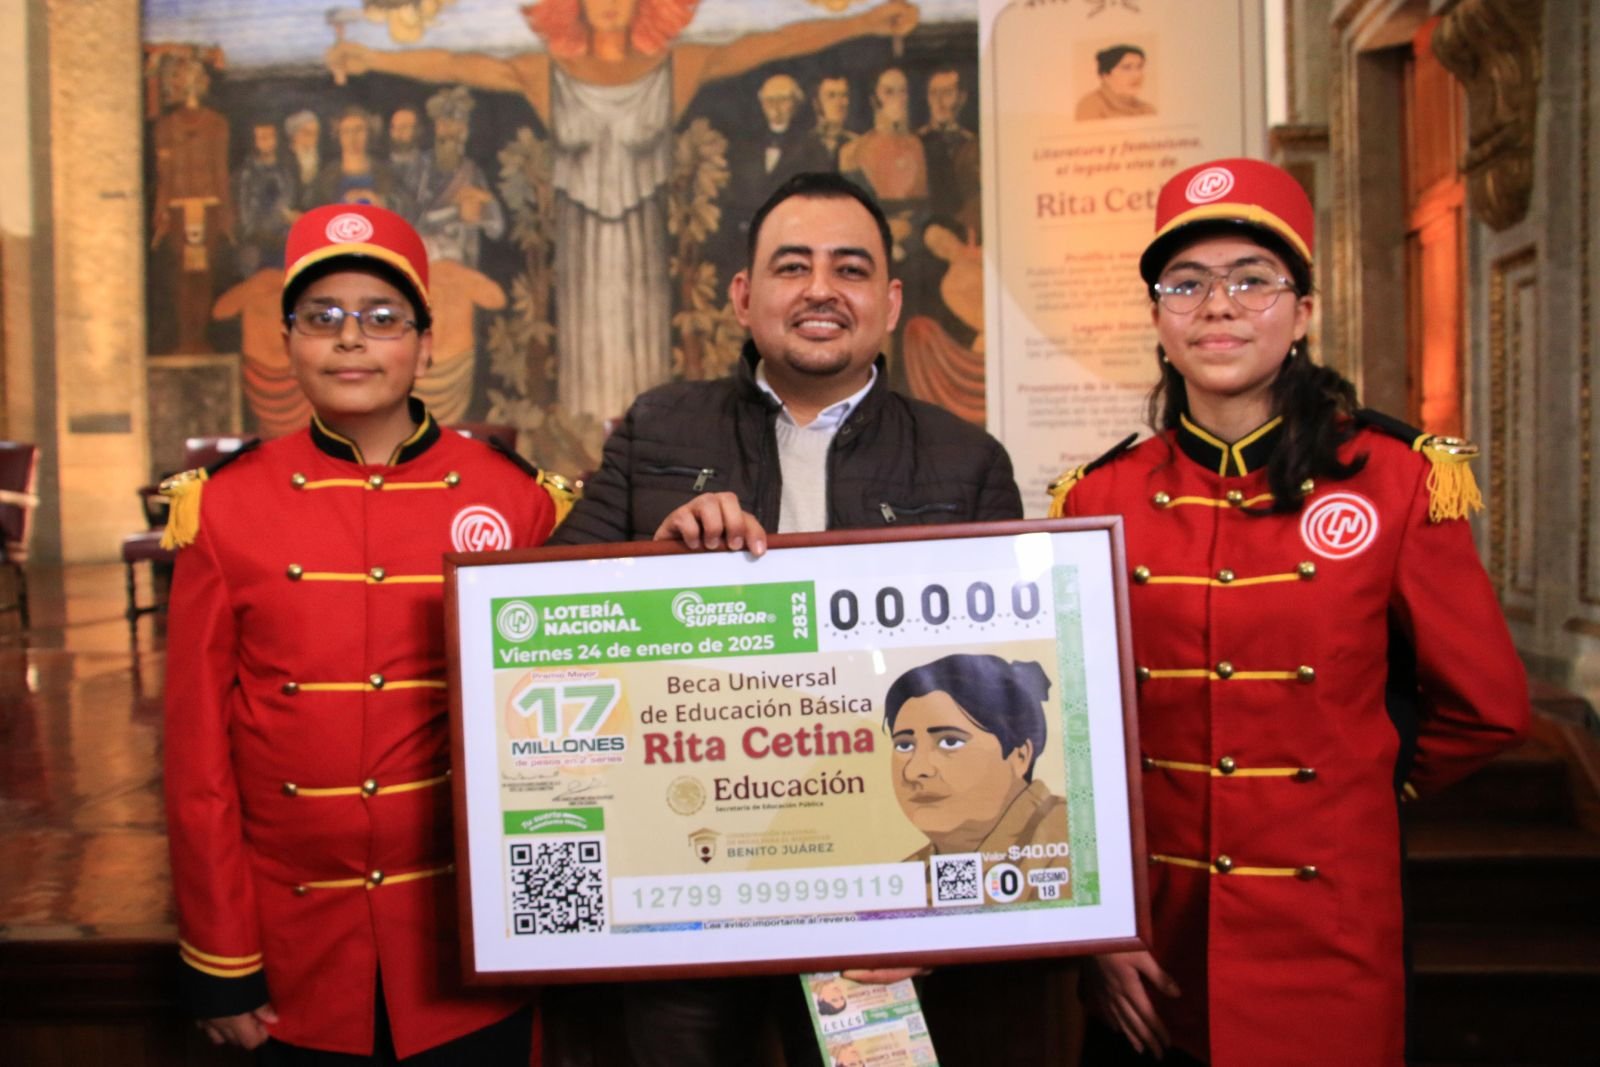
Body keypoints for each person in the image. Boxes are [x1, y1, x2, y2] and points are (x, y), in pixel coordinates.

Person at [1052, 157, 1530, 1065]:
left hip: (1329, 937)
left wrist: (1359, 787)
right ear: (1157, 317)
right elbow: (1075, 739)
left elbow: (1490, 707)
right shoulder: (1097, 498)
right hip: (1154, 947)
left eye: (1252, 280)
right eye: (1186, 283)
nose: (1217, 307)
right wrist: (1099, 927)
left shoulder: (1398, 479)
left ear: (1303, 310)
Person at [548, 171, 1025, 1065]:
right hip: (690, 887)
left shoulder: (966, 461)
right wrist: (654, 561)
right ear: (744, 295)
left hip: (881, 892)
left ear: (889, 302)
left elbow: (999, 695)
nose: (820, 290)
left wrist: (948, 904)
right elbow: (545, 619)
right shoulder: (657, 431)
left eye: (850, 269)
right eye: (792, 266)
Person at [162, 203, 567, 1062]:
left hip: (473, 949)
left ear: (426, 344)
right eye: (323, 317)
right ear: (287, 341)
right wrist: (223, 960)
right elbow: (197, 764)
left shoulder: (519, 499)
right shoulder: (222, 507)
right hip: (296, 954)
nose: (351, 338)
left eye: (382, 317)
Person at [327, 0, 921, 430]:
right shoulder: (544, 73)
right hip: (581, 249)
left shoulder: (676, 67)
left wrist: (866, 20)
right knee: (585, 364)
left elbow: (766, 45)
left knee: (643, 354)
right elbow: (458, 65)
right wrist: (368, 54)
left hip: (642, 248)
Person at [885, 654, 1067, 898]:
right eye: (904, 745)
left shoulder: (1075, 844)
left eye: (950, 742)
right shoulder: (906, 879)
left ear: (1020, 755)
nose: (914, 770)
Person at [1074, 44, 1155, 121]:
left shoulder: (1148, 110)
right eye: (1126, 68)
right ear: (1106, 75)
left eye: (1140, 67)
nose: (1137, 75)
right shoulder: (1090, 105)